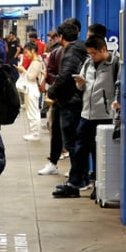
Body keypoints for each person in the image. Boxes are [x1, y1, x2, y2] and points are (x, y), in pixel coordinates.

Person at [53, 35, 120, 198]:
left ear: (104, 49)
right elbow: (81, 86)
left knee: (100, 152)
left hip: (103, 116)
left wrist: (117, 102)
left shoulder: (114, 64)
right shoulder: (88, 63)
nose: (91, 56)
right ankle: (74, 183)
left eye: (94, 53)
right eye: (89, 53)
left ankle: (100, 184)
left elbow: (119, 85)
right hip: (86, 114)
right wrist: (80, 84)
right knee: (79, 150)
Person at [45, 20, 88, 197]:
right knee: (75, 143)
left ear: (61, 37)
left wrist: (52, 93)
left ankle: (78, 181)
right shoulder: (79, 49)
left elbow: (64, 77)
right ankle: (77, 178)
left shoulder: (70, 53)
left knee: (72, 143)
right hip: (75, 101)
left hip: (70, 103)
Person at [37, 27, 66, 175]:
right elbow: (51, 73)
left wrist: (53, 89)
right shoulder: (57, 53)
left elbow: (54, 75)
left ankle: (76, 170)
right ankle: (55, 160)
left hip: (69, 101)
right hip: (60, 99)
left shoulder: (78, 53)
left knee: (69, 134)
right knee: (55, 129)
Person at [17, 42, 44, 141]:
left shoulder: (36, 62)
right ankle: (34, 132)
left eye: (26, 52)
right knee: (32, 111)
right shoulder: (35, 61)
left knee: (33, 112)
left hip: (32, 89)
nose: (25, 55)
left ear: (33, 51)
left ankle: (35, 134)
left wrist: (23, 69)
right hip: (31, 89)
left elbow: (31, 76)